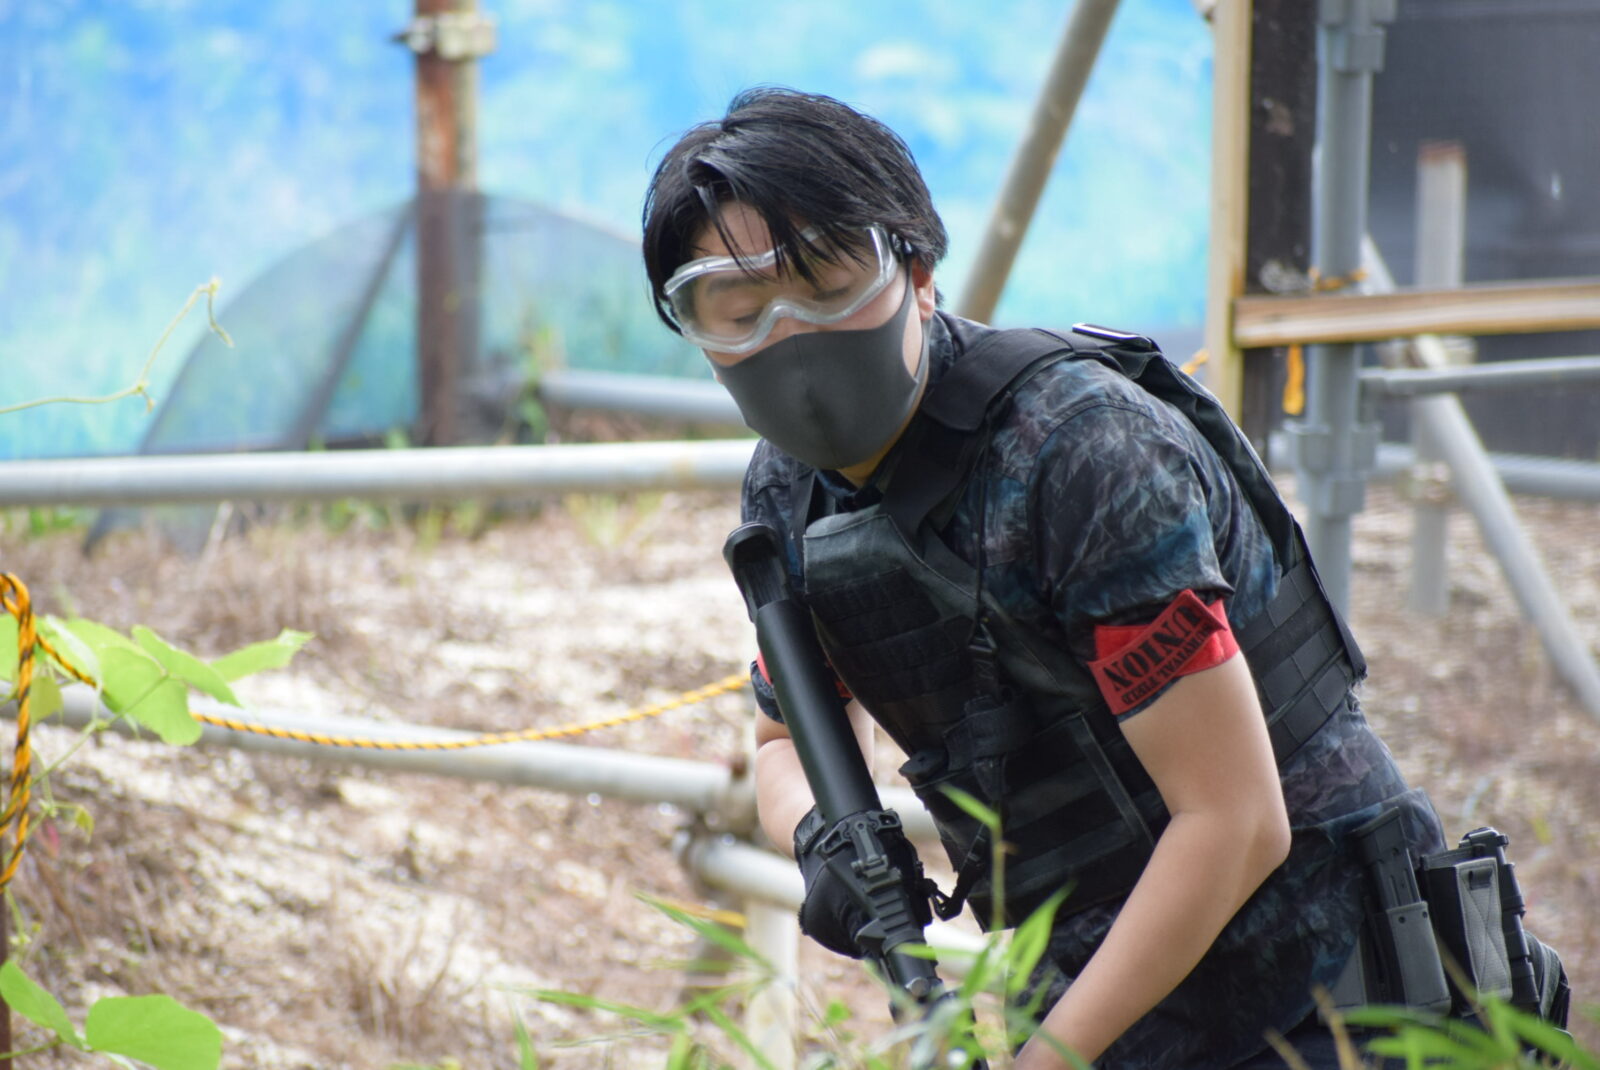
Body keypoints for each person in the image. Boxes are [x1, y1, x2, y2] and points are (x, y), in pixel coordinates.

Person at [641, 87, 1446, 1069]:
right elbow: (784, 738)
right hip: (1093, 998)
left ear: (918, 275)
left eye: (828, 284)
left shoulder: (1082, 455)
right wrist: (824, 838)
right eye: (737, 311)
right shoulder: (789, 494)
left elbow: (1234, 820)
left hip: (1327, 988)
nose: (788, 334)